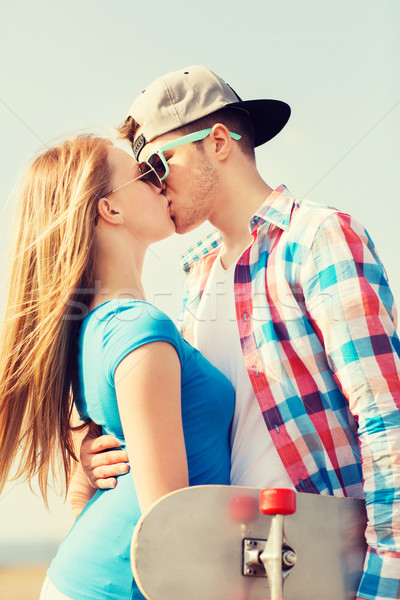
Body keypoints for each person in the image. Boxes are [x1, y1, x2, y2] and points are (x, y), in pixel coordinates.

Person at [80, 66, 400, 600]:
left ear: (220, 143)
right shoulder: (196, 276)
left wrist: (385, 580)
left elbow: (385, 416)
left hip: (317, 566)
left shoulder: (319, 238)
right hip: (229, 571)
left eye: (158, 164)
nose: (153, 184)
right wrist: (99, 453)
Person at [0, 134, 235, 600]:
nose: (162, 182)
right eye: (146, 175)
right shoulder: (137, 326)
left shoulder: (97, 326)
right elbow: (168, 525)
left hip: (91, 579)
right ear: (111, 210)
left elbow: (85, 488)